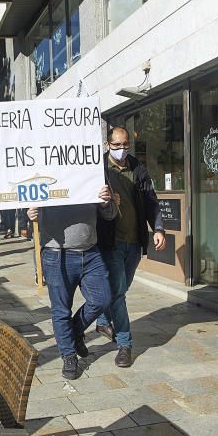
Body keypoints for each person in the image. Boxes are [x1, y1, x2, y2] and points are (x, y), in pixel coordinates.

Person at [94, 126, 167, 368]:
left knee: (120, 289)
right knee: (117, 293)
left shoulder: (138, 169)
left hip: (134, 243)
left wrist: (158, 229)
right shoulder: (98, 169)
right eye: (116, 145)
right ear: (107, 145)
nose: (121, 149)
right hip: (111, 242)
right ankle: (125, 343)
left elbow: (151, 201)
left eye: (125, 144)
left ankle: (103, 319)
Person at [27, 184, 116, 380]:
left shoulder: (90, 171)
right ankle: (68, 355)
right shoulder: (42, 174)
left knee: (102, 299)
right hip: (56, 254)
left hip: (90, 252)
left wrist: (105, 203)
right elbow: (30, 212)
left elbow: (110, 214)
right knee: (61, 310)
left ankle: (74, 332)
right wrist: (31, 214)